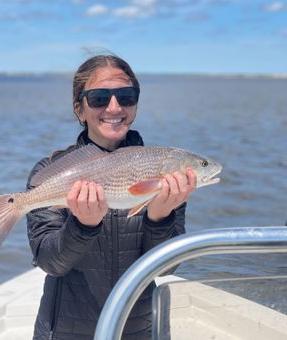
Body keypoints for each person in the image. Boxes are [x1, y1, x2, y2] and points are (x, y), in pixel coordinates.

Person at [26, 54, 196, 340]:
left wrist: (159, 218)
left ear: (136, 104)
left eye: (126, 96)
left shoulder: (163, 170)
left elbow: (168, 267)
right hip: (65, 332)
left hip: (138, 329)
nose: (114, 107)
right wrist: (83, 226)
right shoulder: (51, 172)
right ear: (79, 109)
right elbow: (51, 262)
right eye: (99, 98)